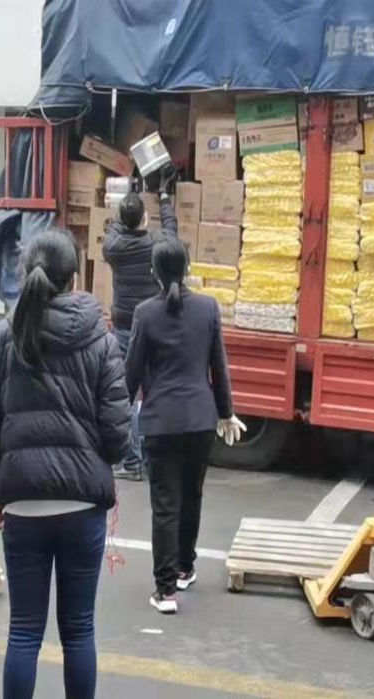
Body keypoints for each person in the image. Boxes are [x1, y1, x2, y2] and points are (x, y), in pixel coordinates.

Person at [0, 228, 130, 699]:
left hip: (22, 507)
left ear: (26, 274)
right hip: (82, 507)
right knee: (79, 631)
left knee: (23, 632)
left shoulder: (2, 337)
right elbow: (118, 435)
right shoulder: (100, 339)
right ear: (74, 278)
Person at [124, 236, 241, 614]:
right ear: (188, 269)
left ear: (153, 273)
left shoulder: (145, 313)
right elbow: (218, 367)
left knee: (165, 505)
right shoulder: (208, 308)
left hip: (160, 422)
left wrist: (117, 412)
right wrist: (226, 412)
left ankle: (165, 591)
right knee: (192, 495)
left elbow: (132, 371)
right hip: (200, 420)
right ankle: (186, 567)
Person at [103, 169, 179, 481]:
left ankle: (132, 461)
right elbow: (172, 231)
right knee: (153, 393)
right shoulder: (156, 244)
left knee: (127, 395)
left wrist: (129, 199)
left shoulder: (113, 248)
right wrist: (163, 197)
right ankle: (148, 458)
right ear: (145, 219)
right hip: (153, 326)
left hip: (124, 328)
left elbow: (116, 227)